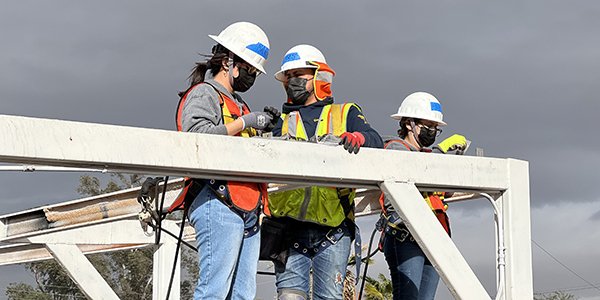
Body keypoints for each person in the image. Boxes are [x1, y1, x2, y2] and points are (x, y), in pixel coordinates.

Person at [169, 21, 279, 300]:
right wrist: (245, 122)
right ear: (228, 60)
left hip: (247, 206)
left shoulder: (239, 103)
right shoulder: (204, 94)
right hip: (216, 200)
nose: (252, 76)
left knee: (242, 294)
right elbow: (197, 137)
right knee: (214, 291)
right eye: (250, 69)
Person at [269, 44, 384, 300]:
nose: (292, 81)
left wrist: (358, 138)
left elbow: (375, 139)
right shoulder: (282, 122)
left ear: (319, 77)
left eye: (299, 75)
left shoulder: (345, 113)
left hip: (333, 228)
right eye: (288, 76)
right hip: (288, 230)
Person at [379, 92, 468, 300]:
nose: (432, 131)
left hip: (433, 237)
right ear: (409, 124)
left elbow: (445, 191)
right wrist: (441, 151)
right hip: (405, 237)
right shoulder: (394, 148)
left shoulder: (428, 156)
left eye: (435, 128)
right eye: (428, 126)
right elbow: (414, 171)